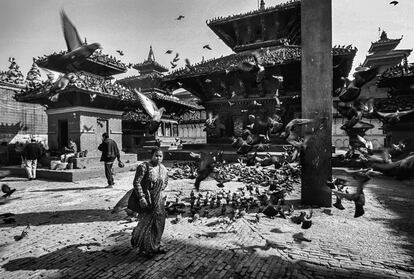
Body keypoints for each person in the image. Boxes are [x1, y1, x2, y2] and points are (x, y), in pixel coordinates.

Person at [130, 147, 168, 257]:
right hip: (147, 198)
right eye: (156, 155)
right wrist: (142, 197)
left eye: (160, 156)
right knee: (147, 222)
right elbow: (137, 183)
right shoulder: (144, 167)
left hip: (158, 199)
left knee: (159, 221)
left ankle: (155, 244)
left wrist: (159, 190)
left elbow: (165, 182)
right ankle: (145, 248)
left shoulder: (164, 169)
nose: (158, 158)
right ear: (151, 155)